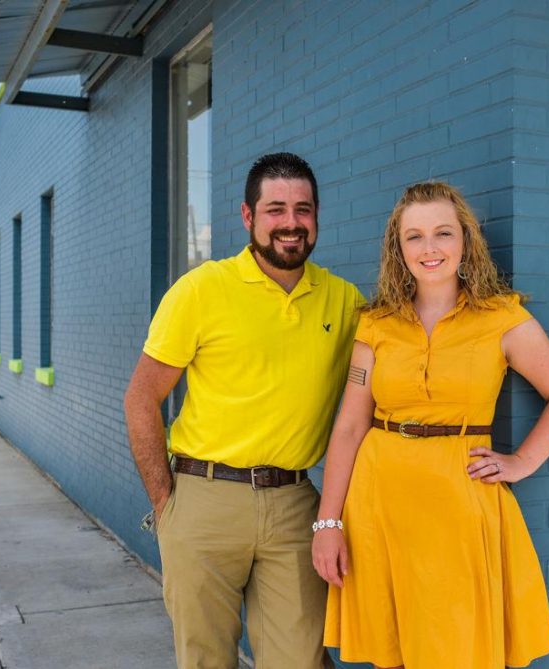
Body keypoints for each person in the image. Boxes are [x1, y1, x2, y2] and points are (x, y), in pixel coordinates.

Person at [312, 182, 549, 669]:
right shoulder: (376, 324)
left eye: (442, 233)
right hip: (378, 504)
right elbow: (350, 427)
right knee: (389, 651)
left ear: (466, 241)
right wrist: (328, 522)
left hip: (457, 506)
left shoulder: (501, 317)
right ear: (398, 250)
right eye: (413, 237)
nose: (429, 248)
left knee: (457, 649)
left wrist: (522, 461)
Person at [123, 152, 363, 669]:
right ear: (248, 217)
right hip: (203, 499)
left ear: (317, 216)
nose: (291, 223)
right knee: (206, 659)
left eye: (303, 209)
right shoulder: (201, 290)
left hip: (295, 503)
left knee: (300, 660)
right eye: (275, 209)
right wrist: (167, 506)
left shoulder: (345, 302)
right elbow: (142, 398)